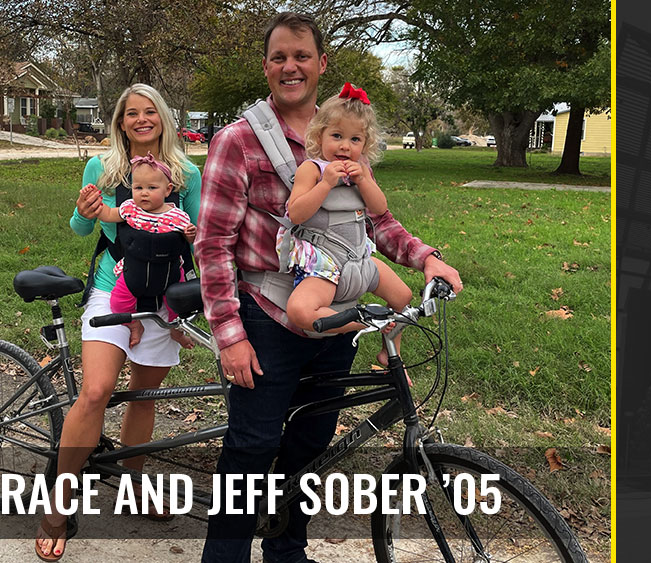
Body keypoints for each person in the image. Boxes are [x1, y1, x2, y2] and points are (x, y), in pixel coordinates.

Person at [195, 11, 462, 563]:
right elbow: (214, 243)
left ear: (321, 63)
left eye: (301, 56)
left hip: (338, 313)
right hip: (267, 316)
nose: (289, 66)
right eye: (278, 57)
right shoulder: (238, 140)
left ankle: (286, 552)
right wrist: (229, 333)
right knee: (251, 447)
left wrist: (427, 259)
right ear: (266, 66)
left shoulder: (347, 130)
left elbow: (375, 223)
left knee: (311, 445)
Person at [34, 83, 202, 561]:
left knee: (144, 398)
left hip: (162, 296)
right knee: (95, 391)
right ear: (121, 121)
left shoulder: (187, 173)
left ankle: (134, 485)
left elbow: (197, 240)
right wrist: (85, 211)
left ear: (163, 118)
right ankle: (58, 503)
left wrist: (191, 304)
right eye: (132, 113)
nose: (142, 119)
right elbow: (81, 228)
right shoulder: (102, 168)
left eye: (151, 112)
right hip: (114, 288)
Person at [280, 82, 412, 364]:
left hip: (361, 258)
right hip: (325, 264)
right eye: (337, 136)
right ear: (320, 135)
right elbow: (296, 213)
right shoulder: (311, 169)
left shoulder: (361, 171)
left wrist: (364, 180)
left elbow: (379, 208)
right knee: (300, 311)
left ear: (365, 144)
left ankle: (390, 351)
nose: (344, 146)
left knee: (403, 297)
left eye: (355, 140)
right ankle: (364, 321)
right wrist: (325, 184)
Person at [79, 152, 198, 348]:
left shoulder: (177, 216)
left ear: (168, 190)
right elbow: (108, 214)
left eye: (152, 188)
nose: (144, 193)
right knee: (118, 303)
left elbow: (189, 239)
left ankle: (176, 330)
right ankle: (134, 324)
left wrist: (190, 234)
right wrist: (94, 204)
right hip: (133, 270)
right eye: (138, 187)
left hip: (170, 273)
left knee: (178, 303)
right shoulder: (130, 209)